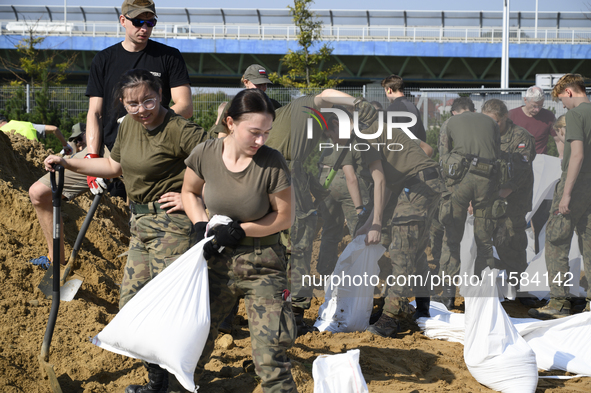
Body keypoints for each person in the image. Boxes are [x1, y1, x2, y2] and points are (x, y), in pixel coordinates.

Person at [44, 69, 206, 393]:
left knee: (167, 307)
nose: (142, 109)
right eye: (133, 103)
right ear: (122, 103)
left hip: (172, 226)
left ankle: (175, 383)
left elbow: (216, 164)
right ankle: (156, 379)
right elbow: (112, 167)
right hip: (140, 225)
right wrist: (68, 163)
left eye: (148, 100)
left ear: (160, 94)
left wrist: (195, 195)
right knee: (132, 304)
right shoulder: (129, 127)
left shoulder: (180, 130)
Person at [28, 0, 192, 270]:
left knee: (142, 217)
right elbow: (94, 112)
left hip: (151, 151)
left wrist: (141, 122)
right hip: (107, 151)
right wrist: (92, 156)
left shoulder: (168, 56)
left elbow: (184, 107)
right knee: (40, 193)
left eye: (150, 22)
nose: (145, 28)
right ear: (122, 20)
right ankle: (55, 258)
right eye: (138, 21)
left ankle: (147, 272)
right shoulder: (104, 59)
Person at [180, 89, 295, 393]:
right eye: (254, 132)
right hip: (216, 261)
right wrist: (200, 222)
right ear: (230, 123)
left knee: (271, 356)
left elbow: (284, 217)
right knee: (192, 340)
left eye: (266, 133)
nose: (261, 141)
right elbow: (189, 191)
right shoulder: (206, 153)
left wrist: (242, 229)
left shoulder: (272, 163)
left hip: (263, 264)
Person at [350, 109, 445, 338]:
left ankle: (391, 318)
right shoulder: (389, 131)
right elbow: (424, 152)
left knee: (402, 250)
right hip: (429, 184)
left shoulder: (365, 139)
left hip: (416, 189)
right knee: (416, 248)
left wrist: (375, 224)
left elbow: (381, 180)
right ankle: (422, 307)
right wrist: (375, 218)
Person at [529, 74, 591, 319]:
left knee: (555, 241)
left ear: (568, 92)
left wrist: (566, 194)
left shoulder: (576, 115)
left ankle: (559, 302)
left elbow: (576, 155)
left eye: (561, 101)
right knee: (589, 243)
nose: (563, 106)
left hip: (574, 184)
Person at [437, 105, 501, 308]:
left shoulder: (450, 123)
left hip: (460, 181)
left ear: (455, 111)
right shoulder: (490, 122)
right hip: (487, 181)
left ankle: (448, 294)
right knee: (484, 238)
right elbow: (496, 151)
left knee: (452, 236)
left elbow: (443, 155)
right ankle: (483, 293)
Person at [481, 99, 536, 303]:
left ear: (504, 118)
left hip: (514, 200)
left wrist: (503, 192)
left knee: (513, 241)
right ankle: (492, 286)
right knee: (487, 241)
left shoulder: (520, 136)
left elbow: (521, 171)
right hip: (489, 198)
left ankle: (520, 288)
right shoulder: (485, 134)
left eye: (495, 121)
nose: (491, 125)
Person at [509, 85, 560, 254]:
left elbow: (558, 140)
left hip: (540, 171)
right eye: (533, 105)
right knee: (517, 217)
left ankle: (540, 255)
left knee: (541, 217)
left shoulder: (548, 117)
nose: (537, 109)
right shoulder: (513, 116)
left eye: (540, 105)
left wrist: (562, 161)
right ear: (525, 100)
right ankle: (516, 256)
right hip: (516, 171)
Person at [211, 63, 281, 139]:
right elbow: (222, 137)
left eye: (265, 84)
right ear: (246, 82)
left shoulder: (274, 105)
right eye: (258, 84)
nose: (262, 88)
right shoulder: (233, 105)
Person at [381, 74, 427, 142]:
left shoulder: (391, 110)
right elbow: (422, 136)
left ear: (389, 90)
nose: (386, 96)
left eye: (386, 92)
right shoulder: (413, 108)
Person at [0, 115, 72, 155]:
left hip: (20, 163)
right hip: (38, 157)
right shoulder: (27, 124)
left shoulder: (1, 133)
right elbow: (54, 129)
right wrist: (65, 145)